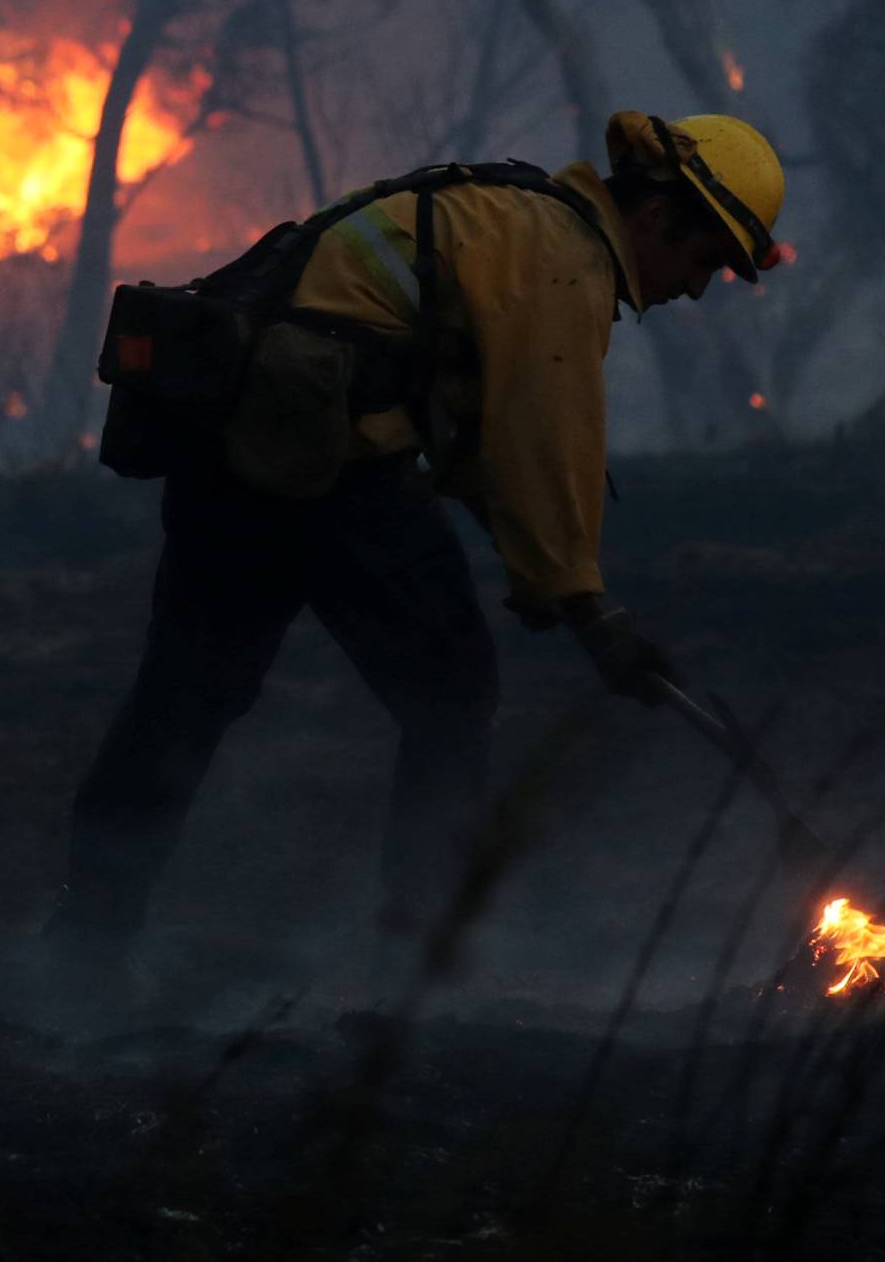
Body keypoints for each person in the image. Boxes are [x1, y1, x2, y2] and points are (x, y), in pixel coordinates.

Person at [46, 109, 786, 972]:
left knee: (181, 701)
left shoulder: (509, 212)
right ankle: (421, 957)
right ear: (657, 220)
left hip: (238, 453)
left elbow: (472, 438)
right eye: (703, 261)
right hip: (331, 466)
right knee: (451, 690)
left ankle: (83, 945)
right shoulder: (562, 259)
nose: (695, 287)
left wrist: (554, 585)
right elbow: (540, 441)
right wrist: (586, 602)